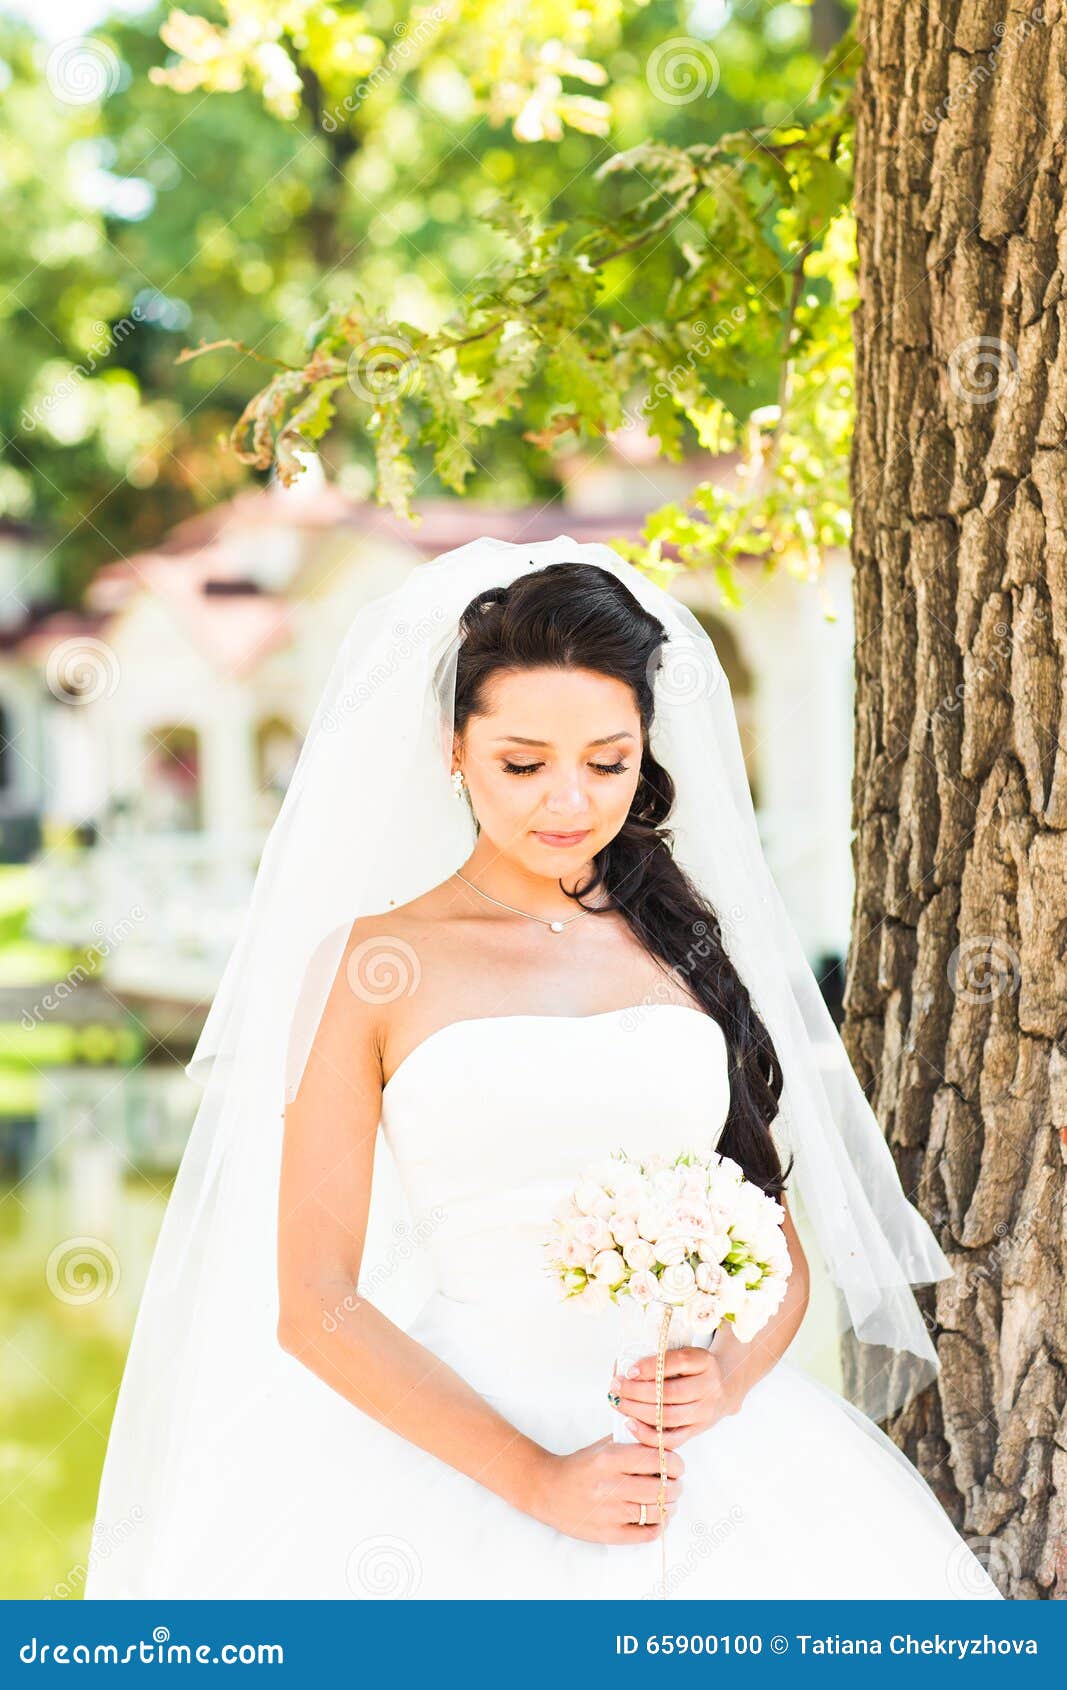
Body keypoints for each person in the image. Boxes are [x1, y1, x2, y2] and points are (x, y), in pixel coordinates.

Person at [85, 537, 1005, 1600]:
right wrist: (534, 1480)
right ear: (453, 750)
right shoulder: (370, 966)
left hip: (695, 1462)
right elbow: (313, 1300)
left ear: (644, 753)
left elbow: (776, 1249)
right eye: (523, 764)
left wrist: (726, 1377)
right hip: (459, 1455)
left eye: (606, 762)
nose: (566, 800)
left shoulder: (684, 948)